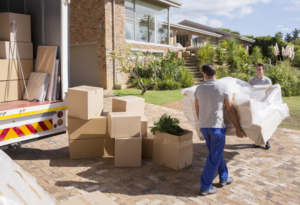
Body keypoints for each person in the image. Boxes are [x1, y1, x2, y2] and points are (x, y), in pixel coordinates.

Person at [195, 64, 246, 196]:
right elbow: (230, 110)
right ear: (215, 73)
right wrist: (238, 129)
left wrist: (200, 124)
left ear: (204, 74)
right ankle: (205, 186)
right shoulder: (223, 86)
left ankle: (223, 177)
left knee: (215, 154)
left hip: (205, 127)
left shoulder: (198, 89)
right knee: (214, 157)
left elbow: (197, 109)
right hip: (217, 127)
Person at [249, 63, 272, 149]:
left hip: (264, 105)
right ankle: (257, 141)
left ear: (263, 70)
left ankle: (266, 141)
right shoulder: (251, 81)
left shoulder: (268, 81)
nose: (258, 71)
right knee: (256, 124)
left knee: (264, 123)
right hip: (254, 105)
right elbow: (249, 92)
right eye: (257, 69)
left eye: (260, 69)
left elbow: (269, 93)